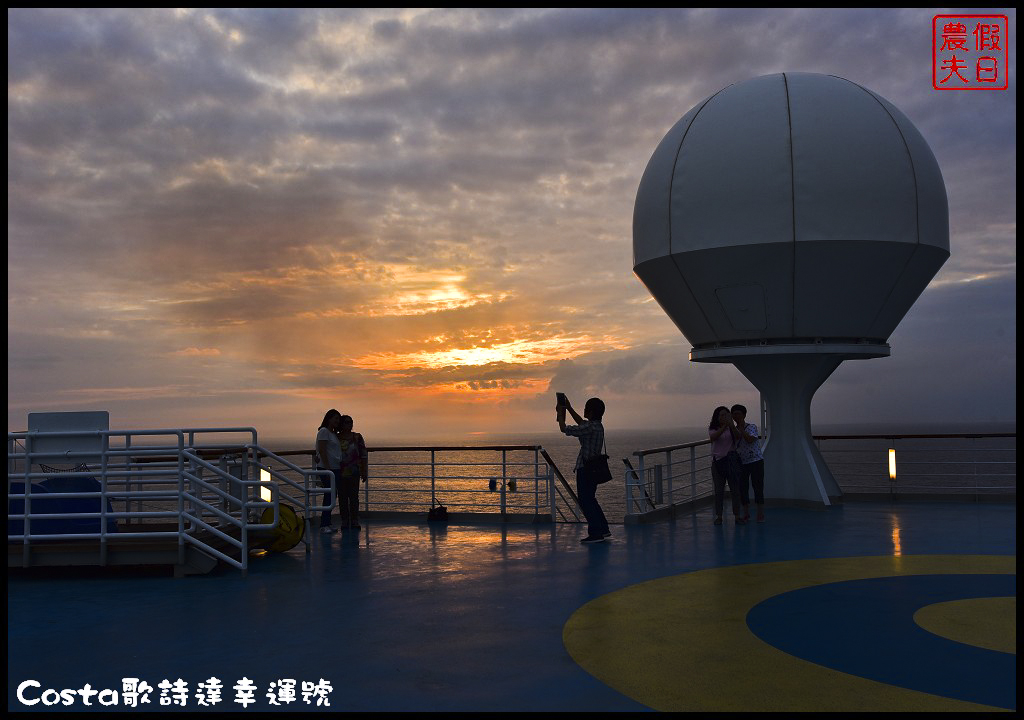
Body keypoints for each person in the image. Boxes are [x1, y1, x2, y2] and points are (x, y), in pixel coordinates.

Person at [558, 395, 611, 544]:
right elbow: (582, 423)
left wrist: (560, 414)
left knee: (585, 501)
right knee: (591, 499)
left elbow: (564, 429)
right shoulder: (598, 426)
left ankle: (595, 533)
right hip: (593, 469)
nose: (584, 410)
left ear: (592, 412)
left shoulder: (589, 427)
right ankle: (603, 528)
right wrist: (568, 408)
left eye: (586, 409)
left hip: (585, 469)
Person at [709, 406, 745, 526]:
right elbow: (713, 437)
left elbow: (738, 436)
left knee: (735, 490)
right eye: (721, 415)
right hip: (718, 462)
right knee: (719, 491)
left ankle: (737, 516)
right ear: (717, 417)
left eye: (726, 415)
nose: (724, 417)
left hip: (731, 461)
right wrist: (724, 426)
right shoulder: (713, 428)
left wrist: (731, 425)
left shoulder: (731, 428)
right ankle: (719, 516)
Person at [731, 404, 765, 523]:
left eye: (738, 414)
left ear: (744, 415)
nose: (736, 416)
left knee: (758, 487)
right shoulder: (733, 430)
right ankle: (746, 513)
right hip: (742, 462)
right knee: (743, 488)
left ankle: (760, 513)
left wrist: (741, 429)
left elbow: (750, 439)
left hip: (756, 461)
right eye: (734, 414)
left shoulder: (751, 427)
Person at [336, 414, 368, 530]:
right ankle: (344, 520)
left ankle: (354, 519)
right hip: (340, 471)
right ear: (341, 424)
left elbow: (363, 454)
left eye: (350, 422)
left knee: (354, 497)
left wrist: (364, 470)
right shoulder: (336, 438)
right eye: (346, 422)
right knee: (342, 497)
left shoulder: (357, 437)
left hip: (354, 471)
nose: (349, 424)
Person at [315, 409, 343, 534]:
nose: (337, 421)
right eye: (335, 418)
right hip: (327, 469)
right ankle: (323, 524)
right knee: (329, 495)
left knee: (332, 495)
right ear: (329, 418)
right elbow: (322, 450)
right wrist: (327, 468)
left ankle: (328, 522)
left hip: (335, 468)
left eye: (338, 419)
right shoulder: (323, 431)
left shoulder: (332, 434)